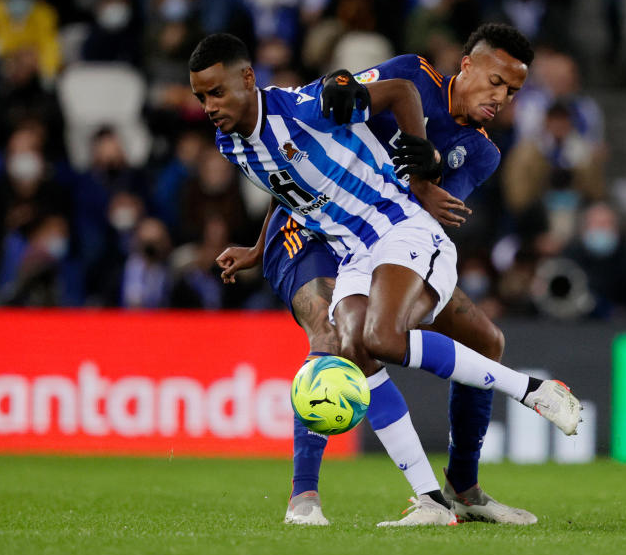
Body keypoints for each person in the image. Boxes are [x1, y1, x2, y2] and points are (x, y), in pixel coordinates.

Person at [189, 33, 582, 526]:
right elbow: (312, 142)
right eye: (496, 82)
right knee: (339, 341)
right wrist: (338, 83)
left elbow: (428, 196)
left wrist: (427, 172)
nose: (500, 98)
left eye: (513, 92)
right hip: (312, 233)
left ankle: (466, 483)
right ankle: (307, 497)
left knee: (466, 340)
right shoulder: (412, 72)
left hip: (392, 230)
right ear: (467, 66)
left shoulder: (481, 152)